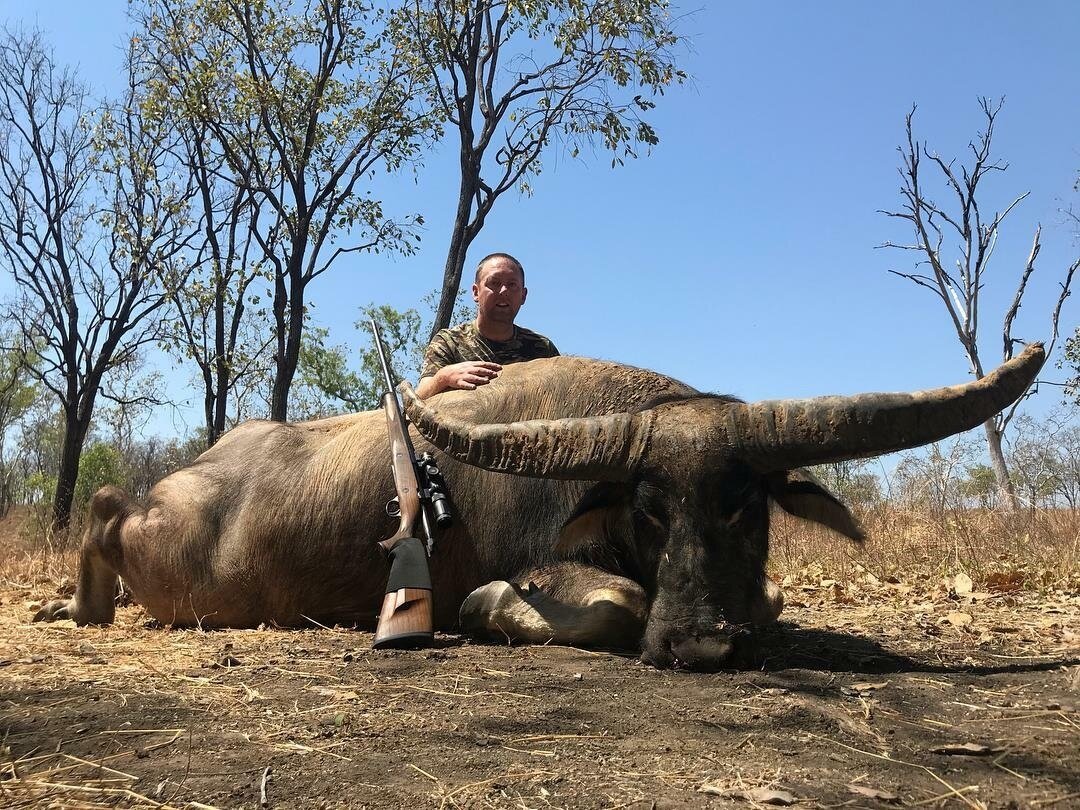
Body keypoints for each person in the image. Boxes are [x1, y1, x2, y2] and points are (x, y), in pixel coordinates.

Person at [416, 253, 559, 398]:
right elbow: (419, 397)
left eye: (512, 285)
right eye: (494, 283)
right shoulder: (448, 342)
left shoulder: (542, 348)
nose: (504, 291)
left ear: (523, 295)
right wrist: (444, 377)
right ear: (476, 292)